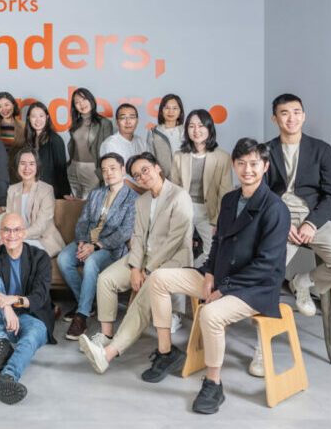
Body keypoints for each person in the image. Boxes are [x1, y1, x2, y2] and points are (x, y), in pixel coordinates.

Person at [115, 138, 289, 414]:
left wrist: (225, 287)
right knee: (158, 278)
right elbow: (218, 242)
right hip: (219, 276)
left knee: (210, 314)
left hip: (254, 287)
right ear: (234, 165)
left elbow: (267, 265)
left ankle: (213, 383)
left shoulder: (276, 208)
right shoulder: (230, 199)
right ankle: (166, 352)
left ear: (265, 166)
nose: (247, 170)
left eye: (254, 164)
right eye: (241, 163)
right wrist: (208, 273)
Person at [79, 152, 195, 369]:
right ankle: (106, 336)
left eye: (145, 170)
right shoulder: (142, 201)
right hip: (144, 258)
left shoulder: (179, 196)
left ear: (157, 168)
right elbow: (139, 237)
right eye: (137, 175)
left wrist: (147, 270)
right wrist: (134, 267)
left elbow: (174, 241)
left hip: (174, 260)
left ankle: (108, 355)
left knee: (145, 295)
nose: (142, 177)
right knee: (106, 279)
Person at [266, 93, 331, 317]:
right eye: (284, 113)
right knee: (267, 274)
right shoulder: (265, 151)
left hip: (315, 217)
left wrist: (311, 223)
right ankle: (264, 334)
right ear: (274, 119)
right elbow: (261, 194)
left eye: (296, 112)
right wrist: (281, 222)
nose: (291, 118)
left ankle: (302, 282)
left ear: (304, 116)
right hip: (280, 218)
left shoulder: (322, 149)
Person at [0, 213, 55, 405]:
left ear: (24, 233)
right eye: (7, 230)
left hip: (32, 316)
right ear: (0, 233)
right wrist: (6, 308)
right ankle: (1, 342)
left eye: (17, 230)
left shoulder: (40, 257)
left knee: (31, 337)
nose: (12, 235)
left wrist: (13, 300)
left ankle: (7, 377)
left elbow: (40, 296)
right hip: (3, 320)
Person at [58, 152, 138, 340]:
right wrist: (82, 242)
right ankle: (86, 305)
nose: (108, 173)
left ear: (123, 170)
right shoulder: (96, 193)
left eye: (113, 168)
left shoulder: (133, 198)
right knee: (63, 259)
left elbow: (125, 232)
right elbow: (83, 221)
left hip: (111, 248)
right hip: (87, 241)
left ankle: (81, 316)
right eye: (104, 170)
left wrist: (96, 246)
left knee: (91, 262)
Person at [170, 109, 233, 265]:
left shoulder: (223, 157)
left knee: (212, 251)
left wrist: (218, 220)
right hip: (184, 209)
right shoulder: (179, 156)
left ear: (209, 128)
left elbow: (225, 192)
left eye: (201, 126)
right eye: (191, 126)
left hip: (209, 211)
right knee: (180, 250)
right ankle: (182, 276)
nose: (196, 130)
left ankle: (198, 274)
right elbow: (174, 188)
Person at [0, 148, 65, 257]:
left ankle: (14, 246)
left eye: (31, 164)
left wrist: (14, 238)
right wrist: (8, 236)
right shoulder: (12, 189)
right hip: (16, 234)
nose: (27, 168)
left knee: (12, 248)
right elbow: (9, 218)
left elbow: (41, 226)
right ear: (17, 166)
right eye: (23, 163)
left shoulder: (46, 190)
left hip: (41, 238)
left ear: (37, 166)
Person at [67, 88, 114, 198]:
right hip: (73, 168)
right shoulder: (75, 124)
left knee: (90, 203)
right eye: (77, 102)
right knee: (74, 204)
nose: (81, 104)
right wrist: (69, 166)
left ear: (91, 100)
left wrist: (100, 173)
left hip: (92, 170)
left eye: (84, 99)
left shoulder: (104, 123)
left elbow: (108, 152)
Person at [23, 101, 71, 199]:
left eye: (41, 116)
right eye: (33, 116)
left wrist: (65, 192)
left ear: (47, 117)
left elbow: (61, 169)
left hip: (50, 192)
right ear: (28, 118)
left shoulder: (55, 139)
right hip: (32, 191)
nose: (38, 120)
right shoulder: (28, 140)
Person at [99, 103, 147, 191]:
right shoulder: (110, 144)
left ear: (137, 121)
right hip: (120, 192)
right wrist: (141, 192)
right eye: (123, 118)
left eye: (132, 117)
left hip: (143, 190)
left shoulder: (142, 142)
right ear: (117, 122)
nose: (128, 122)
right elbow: (115, 177)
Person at [146, 94, 184, 180]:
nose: (171, 111)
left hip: (185, 180)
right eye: (167, 108)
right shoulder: (153, 132)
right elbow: (150, 159)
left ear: (180, 111)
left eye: (175, 108)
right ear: (161, 111)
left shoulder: (186, 132)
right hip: (163, 180)